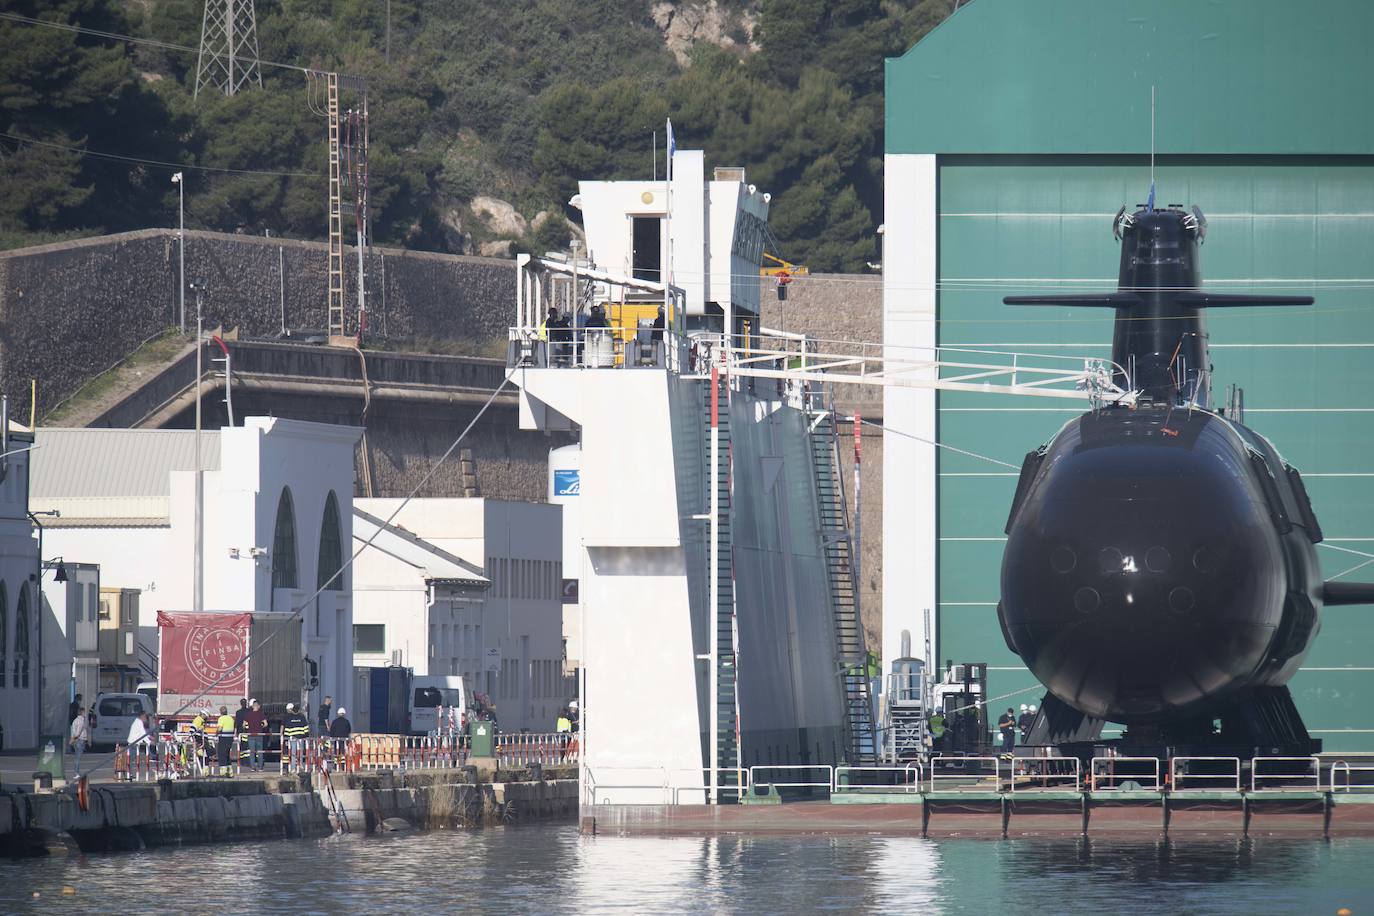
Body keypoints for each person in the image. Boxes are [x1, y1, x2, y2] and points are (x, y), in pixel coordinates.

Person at [281, 702, 311, 771]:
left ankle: (293, 768)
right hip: (301, 738)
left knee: (293, 753)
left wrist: (286, 737)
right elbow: (306, 728)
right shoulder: (302, 717)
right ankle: (300, 765)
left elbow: (287, 729)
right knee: (300, 752)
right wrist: (306, 736)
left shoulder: (289, 718)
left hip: (292, 738)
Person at [243, 699, 268, 772]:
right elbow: (266, 724)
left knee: (252, 752)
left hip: (251, 735)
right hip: (259, 735)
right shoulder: (261, 714)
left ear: (253, 706)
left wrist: (248, 728)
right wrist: (261, 727)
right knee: (260, 752)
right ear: (258, 706)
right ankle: (260, 767)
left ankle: (252, 767)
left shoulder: (248, 714)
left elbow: (244, 725)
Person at [216, 705, 237, 777]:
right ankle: (230, 772)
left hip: (223, 738)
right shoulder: (231, 718)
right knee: (227, 755)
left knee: (222, 755)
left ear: (220, 712)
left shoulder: (221, 718)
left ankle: (223, 772)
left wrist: (216, 733)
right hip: (230, 739)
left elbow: (219, 729)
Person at [69, 704, 89, 774]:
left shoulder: (75, 720)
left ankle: (76, 772)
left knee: (76, 757)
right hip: (80, 740)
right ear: (82, 713)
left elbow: (73, 730)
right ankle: (76, 772)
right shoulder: (81, 721)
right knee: (78, 757)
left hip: (76, 740)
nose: (85, 714)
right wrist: (74, 738)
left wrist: (72, 738)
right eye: (84, 712)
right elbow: (78, 732)